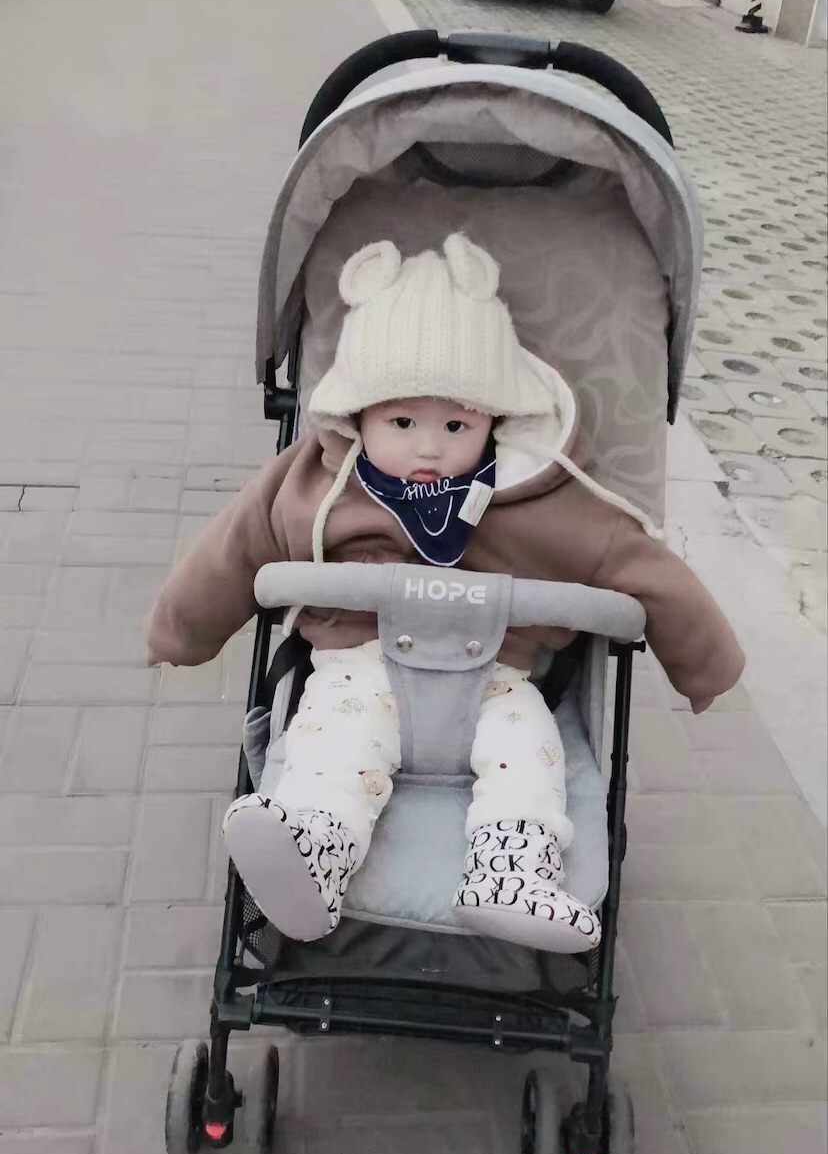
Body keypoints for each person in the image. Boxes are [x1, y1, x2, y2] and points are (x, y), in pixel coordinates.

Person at [147, 234, 745, 954]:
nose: (428, 448)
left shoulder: (547, 499)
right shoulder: (316, 485)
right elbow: (237, 544)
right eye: (402, 423)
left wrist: (705, 663)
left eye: (456, 424)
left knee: (529, 752)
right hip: (360, 672)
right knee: (332, 748)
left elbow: (639, 565)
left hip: (496, 681)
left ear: (494, 419)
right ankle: (314, 853)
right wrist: (182, 629)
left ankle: (511, 873)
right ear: (359, 415)